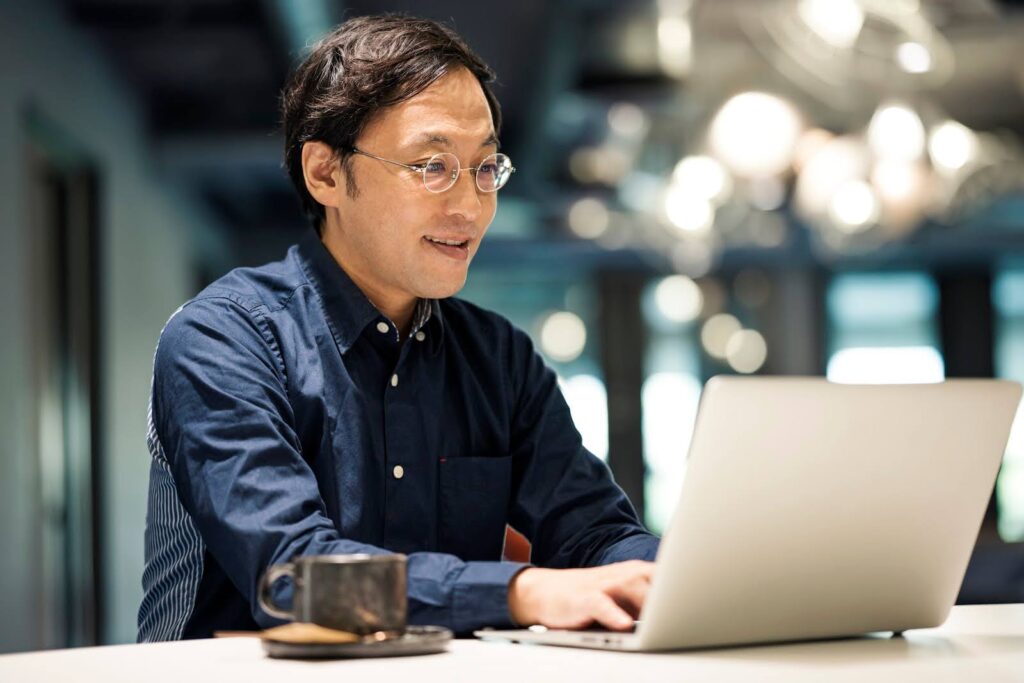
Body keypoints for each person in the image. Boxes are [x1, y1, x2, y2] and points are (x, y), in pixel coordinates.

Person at [137, 14, 659, 642]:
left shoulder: (497, 359)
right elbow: (296, 579)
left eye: (485, 168)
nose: (469, 206)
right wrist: (523, 589)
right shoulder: (224, 339)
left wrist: (672, 577)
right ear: (325, 173)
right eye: (431, 165)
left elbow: (595, 532)